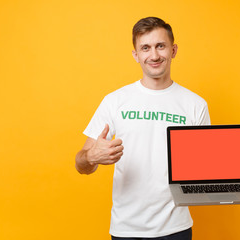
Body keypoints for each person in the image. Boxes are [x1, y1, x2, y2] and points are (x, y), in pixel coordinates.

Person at [75, 17, 210, 240]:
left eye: (161, 46)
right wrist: (91, 156)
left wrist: (224, 178)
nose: (154, 55)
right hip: (126, 229)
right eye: (145, 48)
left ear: (173, 50)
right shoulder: (115, 101)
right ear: (136, 55)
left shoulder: (195, 105)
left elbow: (203, 167)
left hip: (176, 228)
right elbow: (81, 166)